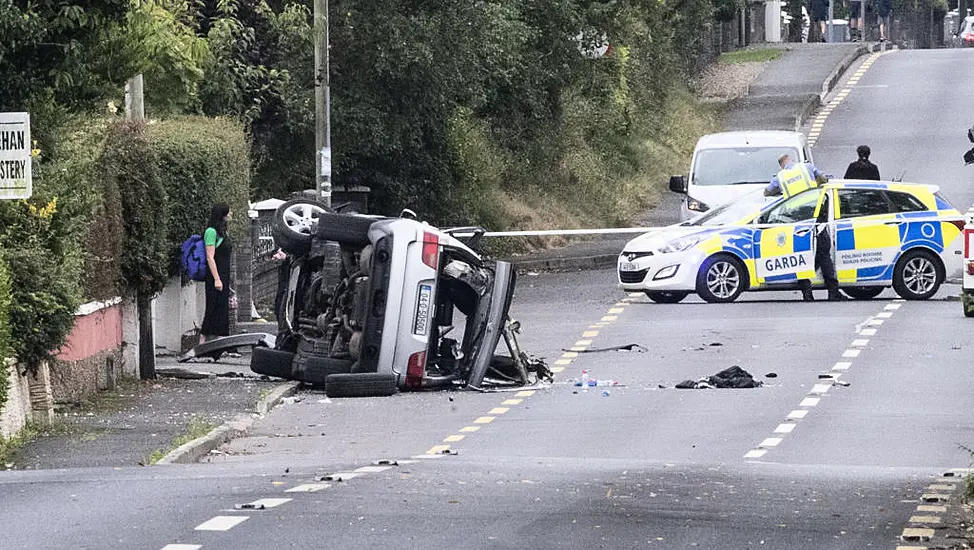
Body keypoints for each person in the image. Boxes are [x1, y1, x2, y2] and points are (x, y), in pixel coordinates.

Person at [798, 193, 846, 301]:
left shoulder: (783, 178)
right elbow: (822, 180)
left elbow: (768, 192)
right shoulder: (808, 176)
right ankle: (833, 291)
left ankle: (807, 292)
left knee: (801, 259)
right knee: (824, 258)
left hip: (799, 223)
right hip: (816, 223)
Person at [201, 204, 234, 344]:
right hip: (215, 276)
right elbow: (210, 257)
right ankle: (202, 341)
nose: (231, 214)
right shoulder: (211, 232)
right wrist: (216, 279)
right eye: (229, 212)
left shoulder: (223, 232)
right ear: (222, 215)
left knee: (221, 308)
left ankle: (221, 341)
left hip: (224, 275)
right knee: (212, 307)